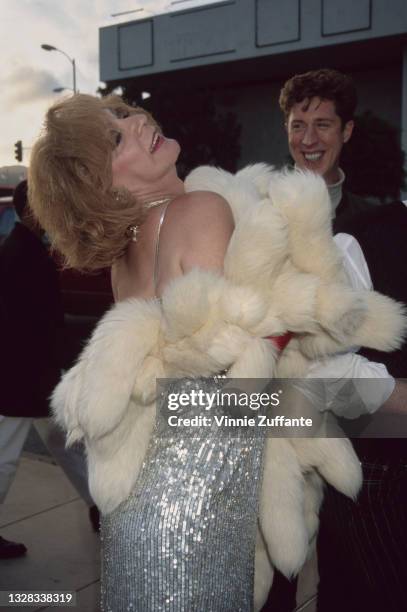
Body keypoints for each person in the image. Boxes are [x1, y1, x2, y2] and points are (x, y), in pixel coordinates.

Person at [28, 94, 403, 611]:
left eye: (124, 114)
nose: (137, 121)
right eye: (115, 137)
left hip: (151, 506)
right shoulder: (199, 208)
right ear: (100, 185)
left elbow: (188, 395)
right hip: (203, 509)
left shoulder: (127, 256)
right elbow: (252, 373)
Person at [276, 67, 407, 612]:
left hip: (359, 436)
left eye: (323, 124)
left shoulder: (384, 223)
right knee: (274, 579)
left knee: (355, 584)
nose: (308, 139)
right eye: (297, 123)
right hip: (276, 426)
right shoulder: (261, 214)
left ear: (347, 132)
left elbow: (392, 343)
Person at [0, 181, 97, 560]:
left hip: (29, 376)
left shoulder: (20, 249)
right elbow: (34, 322)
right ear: (31, 209)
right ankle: (102, 507)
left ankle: (101, 506)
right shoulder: (23, 254)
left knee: (67, 443)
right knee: (5, 457)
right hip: (20, 378)